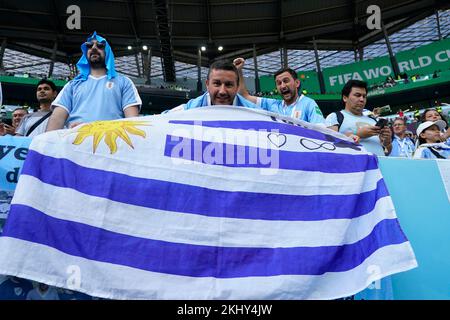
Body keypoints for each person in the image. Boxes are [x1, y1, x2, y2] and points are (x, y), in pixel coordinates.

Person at [46, 31, 141, 131]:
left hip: (111, 143)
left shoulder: (124, 82)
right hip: (76, 143)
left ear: (108, 51)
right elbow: (57, 119)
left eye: (100, 45)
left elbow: (132, 122)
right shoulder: (72, 85)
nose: (94, 48)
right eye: (89, 45)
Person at [233, 57, 325, 124]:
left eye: (286, 81)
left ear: (297, 83)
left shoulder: (308, 104)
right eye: (279, 83)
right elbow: (245, 96)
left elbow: (322, 132)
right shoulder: (273, 104)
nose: (282, 86)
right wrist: (239, 71)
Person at [325, 80, 392, 156]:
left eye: (364, 96)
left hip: (381, 165)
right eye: (357, 95)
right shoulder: (334, 117)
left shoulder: (373, 119)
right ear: (345, 98)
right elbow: (329, 143)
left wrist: (387, 142)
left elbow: (387, 152)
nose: (362, 99)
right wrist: (358, 134)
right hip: (354, 166)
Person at [164, 60, 257, 112]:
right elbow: (164, 118)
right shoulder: (193, 107)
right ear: (207, 85)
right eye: (217, 83)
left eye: (229, 85)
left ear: (237, 87)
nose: (222, 91)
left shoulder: (253, 111)